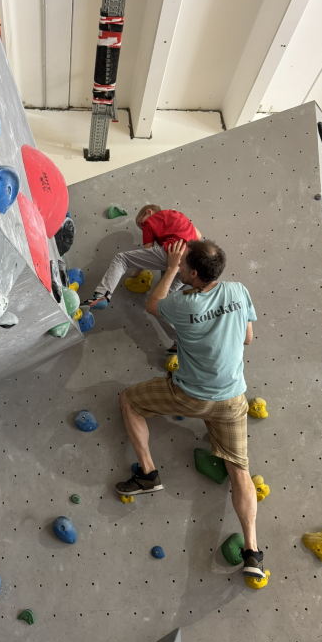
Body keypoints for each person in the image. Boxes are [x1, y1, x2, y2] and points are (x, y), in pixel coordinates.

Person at [115, 238, 265, 579]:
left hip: (190, 396)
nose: (180, 267)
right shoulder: (238, 290)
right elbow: (247, 338)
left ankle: (148, 474)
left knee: (129, 399)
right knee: (239, 471)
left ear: (194, 274)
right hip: (232, 401)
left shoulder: (184, 304)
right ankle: (253, 552)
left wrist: (169, 270)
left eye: (184, 265)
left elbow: (152, 304)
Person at [82, 204, 202, 353]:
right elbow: (198, 235)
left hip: (173, 252)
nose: (142, 228)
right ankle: (180, 341)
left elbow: (148, 250)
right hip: (191, 263)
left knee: (121, 259)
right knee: (160, 304)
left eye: (140, 223)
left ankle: (102, 294)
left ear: (149, 212)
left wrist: (135, 273)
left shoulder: (151, 220)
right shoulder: (177, 214)